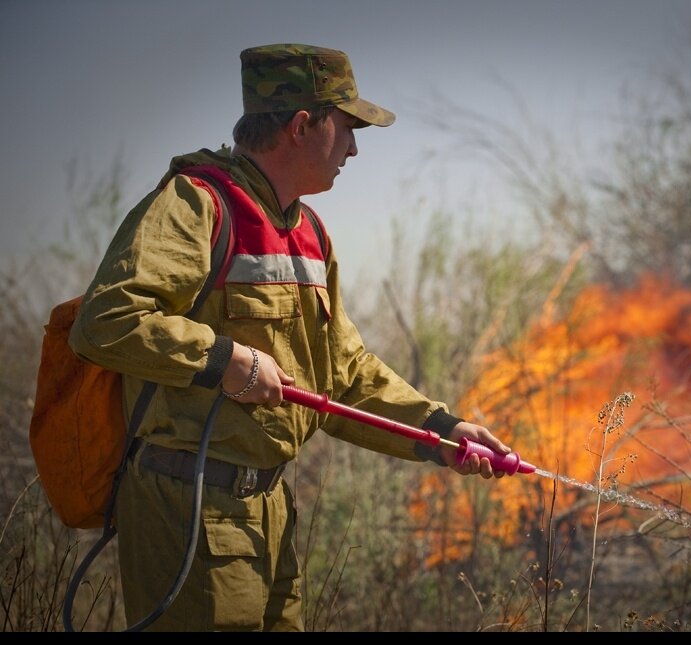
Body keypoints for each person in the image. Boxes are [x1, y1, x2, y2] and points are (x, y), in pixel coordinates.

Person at [69, 43, 512, 632]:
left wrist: (440, 430)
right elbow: (107, 321)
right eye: (347, 126)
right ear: (302, 126)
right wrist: (225, 360)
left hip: (272, 510)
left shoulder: (310, 234)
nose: (355, 147)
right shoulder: (196, 206)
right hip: (191, 508)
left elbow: (343, 373)